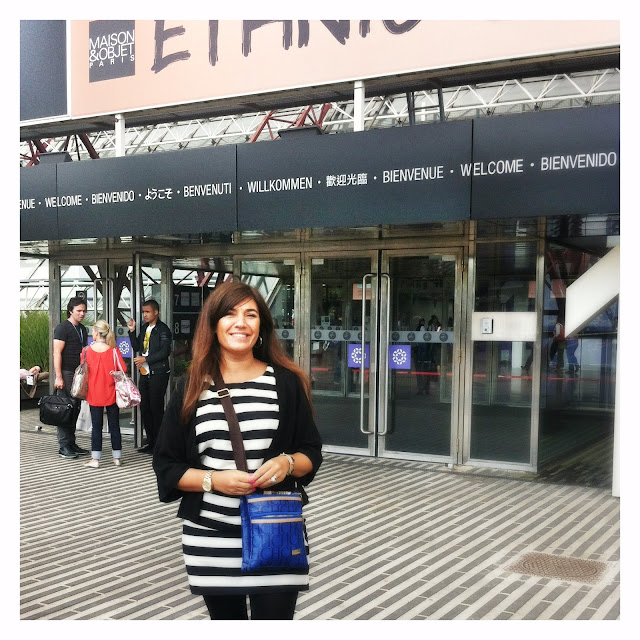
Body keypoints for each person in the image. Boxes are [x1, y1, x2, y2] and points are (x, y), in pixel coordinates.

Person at [153, 282, 323, 620]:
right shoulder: (191, 387)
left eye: (250, 314)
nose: (240, 323)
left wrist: (287, 463)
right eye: (230, 314)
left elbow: (311, 451)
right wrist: (213, 481)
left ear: (261, 326)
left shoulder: (286, 382)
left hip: (275, 532)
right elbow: (167, 465)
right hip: (211, 537)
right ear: (214, 325)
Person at [127, 299, 172, 453]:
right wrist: (132, 331)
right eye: (143, 312)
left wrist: (146, 359)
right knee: (145, 407)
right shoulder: (144, 328)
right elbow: (137, 346)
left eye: (147, 312)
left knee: (156, 408)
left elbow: (165, 352)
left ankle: (160, 444)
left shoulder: (163, 330)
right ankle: (151, 442)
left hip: (158, 373)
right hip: (145, 373)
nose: (145, 315)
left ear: (156, 312)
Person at [82, 320, 127, 469]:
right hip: (111, 393)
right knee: (114, 425)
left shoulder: (86, 351)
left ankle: (95, 459)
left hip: (94, 393)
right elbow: (123, 369)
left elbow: (83, 370)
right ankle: (117, 457)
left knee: (96, 427)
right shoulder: (114, 351)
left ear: (95, 333)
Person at [53, 297, 90, 459]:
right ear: (70, 311)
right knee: (65, 408)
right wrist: (58, 376)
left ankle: (71, 443)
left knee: (75, 407)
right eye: (79, 311)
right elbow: (57, 353)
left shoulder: (82, 329)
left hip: (78, 373)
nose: (82, 314)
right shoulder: (63, 328)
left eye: (84, 311)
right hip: (67, 372)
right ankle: (64, 446)